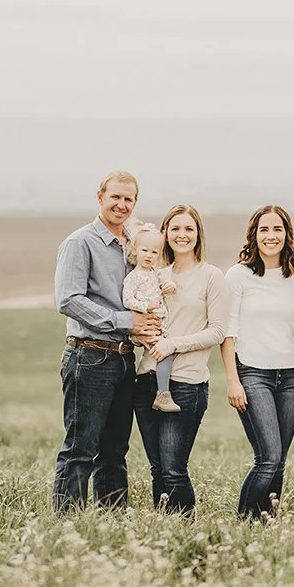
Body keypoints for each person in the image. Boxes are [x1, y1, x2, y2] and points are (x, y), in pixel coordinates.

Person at [52, 171, 163, 513]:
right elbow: (68, 299)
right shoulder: (80, 242)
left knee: (115, 451)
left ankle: (112, 524)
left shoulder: (131, 244)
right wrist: (125, 321)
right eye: (115, 197)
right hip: (90, 356)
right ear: (99, 197)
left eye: (128, 199)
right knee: (80, 449)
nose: (121, 204)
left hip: (123, 359)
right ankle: (68, 526)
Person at [131, 204, 229, 515]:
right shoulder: (153, 276)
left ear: (198, 234)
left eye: (188, 229)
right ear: (165, 234)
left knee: (174, 469)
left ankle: (185, 531)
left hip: (187, 383)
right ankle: (164, 532)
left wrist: (173, 344)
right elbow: (139, 323)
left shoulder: (211, 276)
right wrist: (142, 337)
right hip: (146, 379)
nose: (181, 235)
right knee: (157, 469)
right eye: (175, 229)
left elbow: (217, 331)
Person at [220, 205, 294, 520]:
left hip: (290, 376)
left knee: (280, 460)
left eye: (277, 229)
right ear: (254, 235)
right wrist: (233, 380)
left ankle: (266, 523)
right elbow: (228, 333)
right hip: (252, 374)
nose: (271, 236)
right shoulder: (238, 275)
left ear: (287, 234)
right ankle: (245, 522)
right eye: (264, 230)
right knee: (267, 457)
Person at [122, 223, 181, 413]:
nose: (149, 255)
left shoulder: (155, 273)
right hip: (145, 324)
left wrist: (169, 286)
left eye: (154, 252)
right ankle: (162, 394)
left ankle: (153, 382)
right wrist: (145, 306)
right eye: (145, 250)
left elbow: (164, 282)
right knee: (165, 352)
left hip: (158, 324)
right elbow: (127, 300)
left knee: (159, 352)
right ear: (135, 250)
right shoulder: (133, 277)